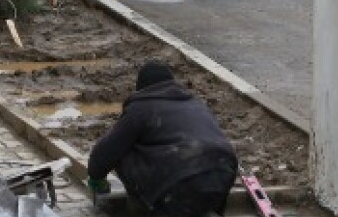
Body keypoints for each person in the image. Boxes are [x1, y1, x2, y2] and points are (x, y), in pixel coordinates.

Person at [87, 61, 239, 217]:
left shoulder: (141, 108)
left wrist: (96, 178)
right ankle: (204, 210)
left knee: (124, 150)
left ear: (141, 88)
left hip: (177, 185)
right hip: (224, 172)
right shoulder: (196, 105)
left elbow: (104, 152)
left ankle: (147, 207)